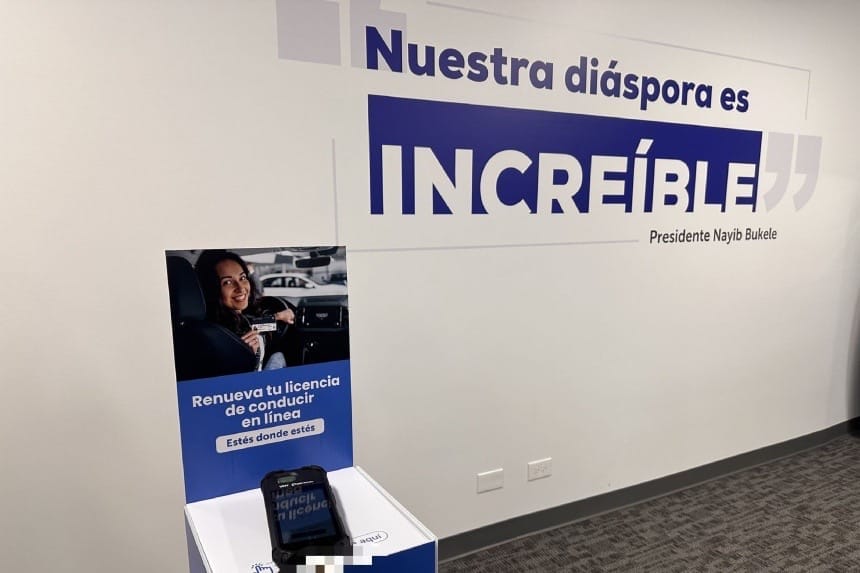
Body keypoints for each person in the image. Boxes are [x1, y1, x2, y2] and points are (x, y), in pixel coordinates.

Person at [195, 250, 295, 371]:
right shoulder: (222, 334)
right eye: (227, 282)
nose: (241, 288)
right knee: (279, 356)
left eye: (242, 278)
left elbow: (253, 326)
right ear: (211, 288)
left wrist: (279, 316)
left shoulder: (230, 321)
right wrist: (246, 357)